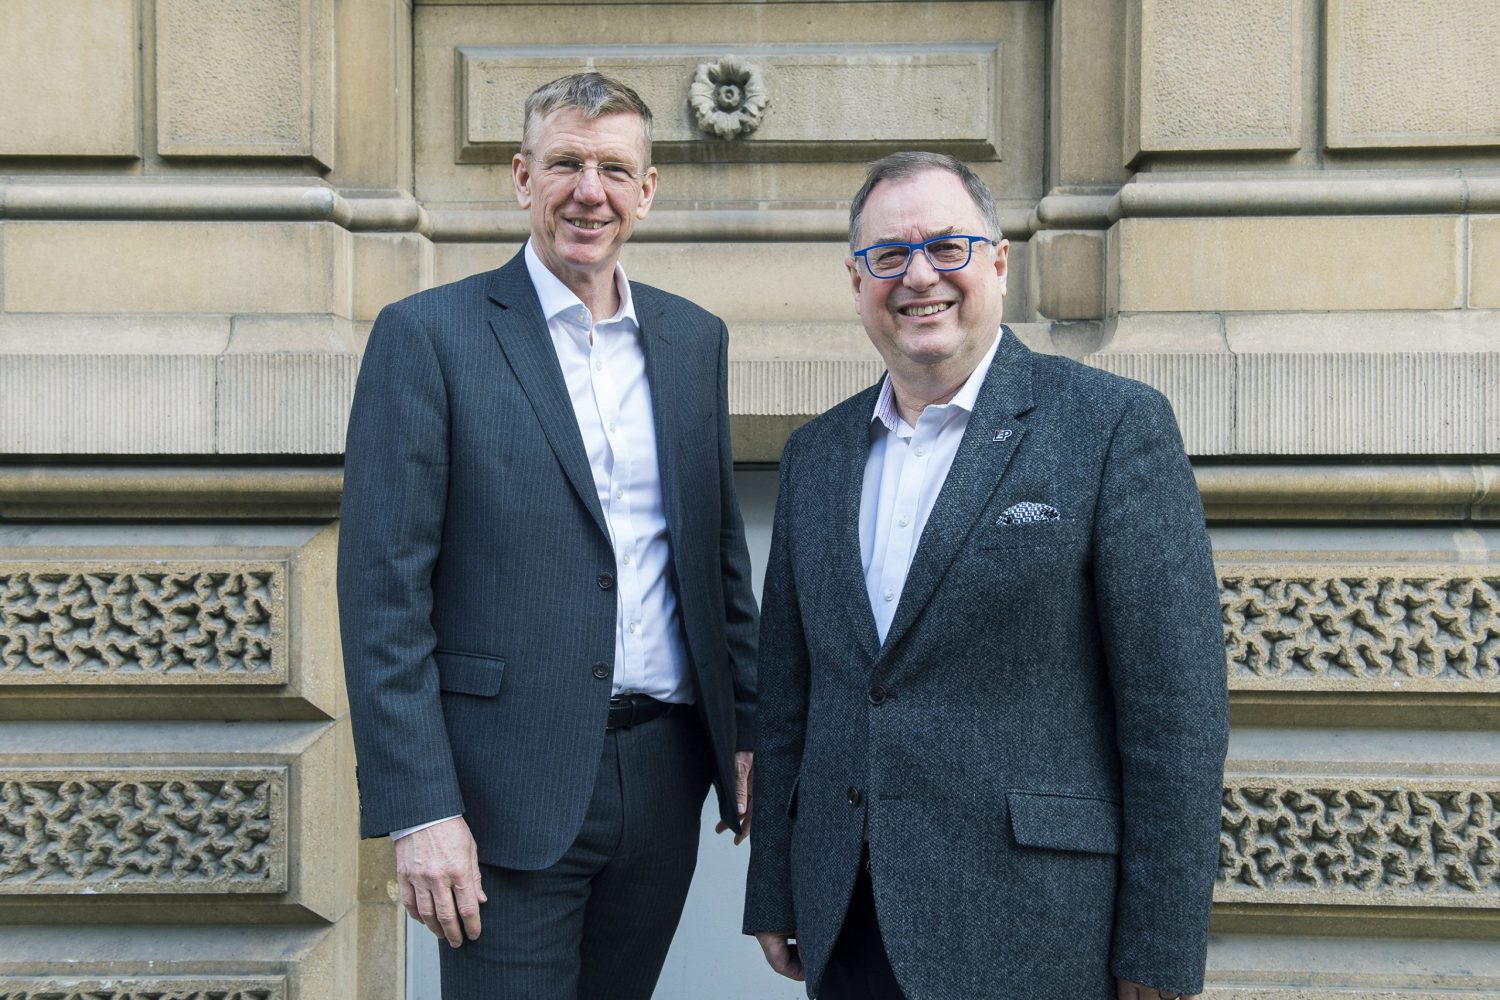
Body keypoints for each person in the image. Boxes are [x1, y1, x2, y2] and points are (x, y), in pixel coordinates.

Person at [742, 151, 1229, 1000]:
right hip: (851, 918)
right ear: (857, 283)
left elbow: (1175, 717)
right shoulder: (814, 456)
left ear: (999, 263)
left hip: (1041, 926)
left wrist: (1158, 946)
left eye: (948, 247)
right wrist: (776, 884)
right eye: (887, 256)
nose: (918, 275)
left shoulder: (1111, 428)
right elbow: (791, 697)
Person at [338, 72, 758, 1000]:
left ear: (646, 191)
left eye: (614, 168)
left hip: (662, 775)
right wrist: (421, 811)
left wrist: (748, 730)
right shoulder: (430, 337)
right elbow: (383, 599)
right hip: (501, 790)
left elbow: (716, 560)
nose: (589, 191)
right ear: (522, 178)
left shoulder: (694, 341)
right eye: (565, 162)